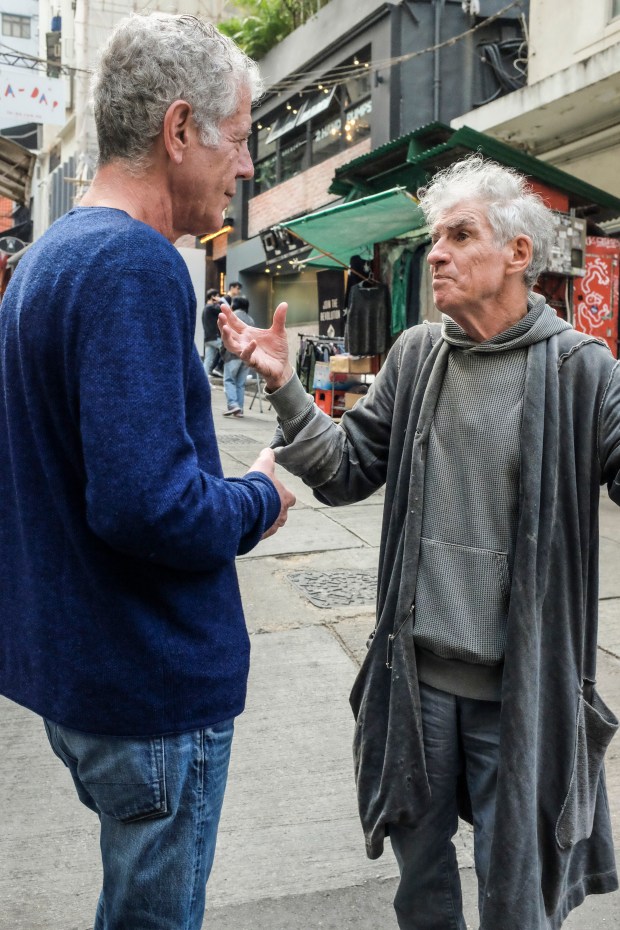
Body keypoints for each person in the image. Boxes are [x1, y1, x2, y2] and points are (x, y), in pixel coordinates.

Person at [219, 154, 620, 930]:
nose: (435, 252)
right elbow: (342, 471)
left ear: (517, 255)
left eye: (458, 235)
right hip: (417, 688)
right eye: (434, 236)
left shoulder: (582, 371)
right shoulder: (416, 355)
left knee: (520, 898)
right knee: (422, 894)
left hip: (523, 698)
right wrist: (283, 384)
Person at [0, 12, 295, 930]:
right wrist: (261, 495)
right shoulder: (135, 264)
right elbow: (147, 505)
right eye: (239, 138)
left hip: (79, 674)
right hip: (147, 691)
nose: (244, 167)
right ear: (178, 132)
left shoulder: (48, 258)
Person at [222, 295, 254, 417]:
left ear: (235, 304)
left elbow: (225, 335)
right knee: (240, 383)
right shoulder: (250, 320)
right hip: (246, 355)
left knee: (229, 380)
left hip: (232, 353)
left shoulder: (231, 316)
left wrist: (222, 352)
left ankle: (233, 404)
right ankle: (239, 409)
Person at [202, 286, 224, 375]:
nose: (219, 298)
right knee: (227, 348)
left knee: (208, 360)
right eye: (217, 296)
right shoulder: (211, 307)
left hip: (208, 338)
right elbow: (223, 309)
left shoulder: (206, 308)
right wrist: (221, 301)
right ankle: (218, 368)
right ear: (213, 297)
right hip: (214, 337)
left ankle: (204, 382)